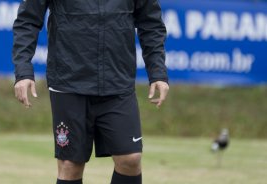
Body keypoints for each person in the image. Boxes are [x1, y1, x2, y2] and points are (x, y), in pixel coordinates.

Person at [12, 0, 169, 183]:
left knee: (130, 159)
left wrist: (157, 73)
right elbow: (27, 21)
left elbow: (151, 24)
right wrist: (23, 72)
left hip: (117, 81)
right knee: (70, 166)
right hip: (68, 82)